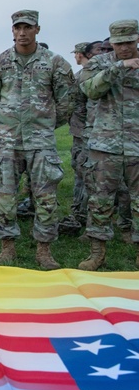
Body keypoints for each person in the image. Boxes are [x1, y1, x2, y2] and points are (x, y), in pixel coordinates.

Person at [0, 9, 75, 269]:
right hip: (8, 143)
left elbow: (66, 101)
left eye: (27, 27)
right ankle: (7, 248)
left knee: (46, 199)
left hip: (41, 143)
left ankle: (44, 250)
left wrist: (44, 125)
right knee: (5, 197)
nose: (22, 32)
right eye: (18, 28)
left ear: (37, 29)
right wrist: (6, 124)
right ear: (12, 30)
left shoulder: (55, 63)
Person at [79, 20, 139, 269]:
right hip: (105, 145)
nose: (124, 47)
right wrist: (119, 67)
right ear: (111, 43)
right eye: (119, 43)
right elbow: (91, 90)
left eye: (129, 42)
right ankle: (97, 253)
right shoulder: (99, 64)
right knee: (100, 200)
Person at [59, 41, 100, 236]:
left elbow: (75, 107)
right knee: (83, 177)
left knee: (88, 178)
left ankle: (85, 217)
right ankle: (81, 214)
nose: (75, 56)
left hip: (89, 135)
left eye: (76, 53)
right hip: (83, 134)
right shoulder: (78, 77)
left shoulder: (83, 77)